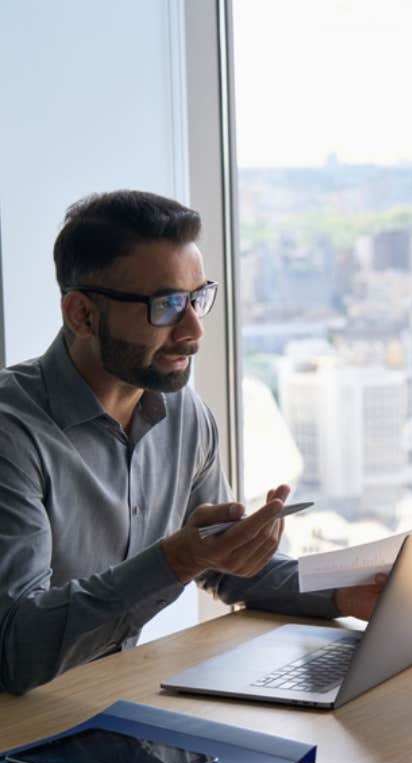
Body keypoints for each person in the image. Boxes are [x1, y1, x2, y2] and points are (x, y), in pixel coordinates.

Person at [0, 190, 383, 695]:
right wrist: (176, 560)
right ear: (83, 315)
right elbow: (15, 651)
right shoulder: (13, 434)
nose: (194, 329)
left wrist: (345, 593)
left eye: (198, 297)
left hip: (102, 699)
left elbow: (226, 567)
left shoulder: (183, 414)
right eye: (167, 306)